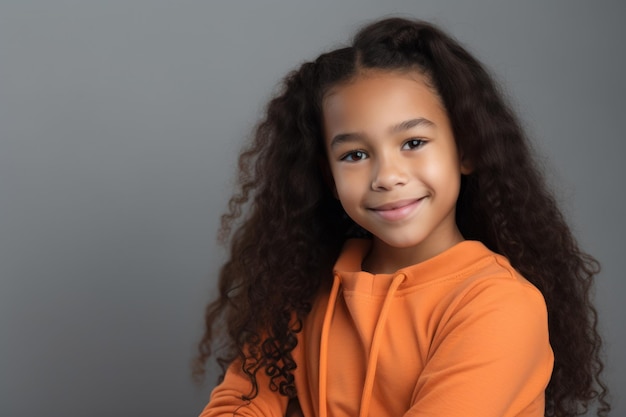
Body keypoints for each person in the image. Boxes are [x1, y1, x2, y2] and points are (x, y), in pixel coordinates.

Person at [193, 17, 609, 417]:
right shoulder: (301, 290)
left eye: (413, 142)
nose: (387, 177)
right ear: (328, 174)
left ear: (466, 149)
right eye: (355, 155)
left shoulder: (499, 306)